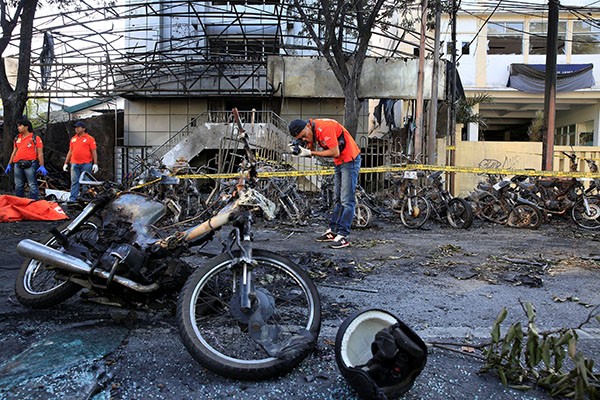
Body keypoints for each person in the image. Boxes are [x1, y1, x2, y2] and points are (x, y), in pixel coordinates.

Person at [288, 118, 361, 249]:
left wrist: (310, 152)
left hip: (350, 160)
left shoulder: (324, 128)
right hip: (340, 161)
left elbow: (335, 152)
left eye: (304, 136)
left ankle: (343, 236)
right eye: (302, 138)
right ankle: (333, 231)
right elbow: (310, 150)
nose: (304, 139)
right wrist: (300, 149)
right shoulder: (312, 130)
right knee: (338, 199)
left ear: (307, 127)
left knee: (346, 200)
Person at [5, 118, 47, 200]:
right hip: (17, 163)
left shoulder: (35, 138)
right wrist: (9, 164)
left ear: (26, 127)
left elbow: (40, 153)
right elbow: (14, 152)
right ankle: (19, 202)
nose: (18, 128)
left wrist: (42, 165)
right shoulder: (17, 138)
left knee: (32, 184)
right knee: (18, 185)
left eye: (20, 126)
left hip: (30, 163)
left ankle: (33, 202)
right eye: (18, 126)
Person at [63, 121, 98, 203]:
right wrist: (65, 163)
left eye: (78, 127)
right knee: (74, 182)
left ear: (84, 128)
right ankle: (72, 199)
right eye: (75, 127)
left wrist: (95, 163)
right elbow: (70, 151)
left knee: (86, 182)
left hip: (86, 163)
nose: (76, 129)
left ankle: (85, 199)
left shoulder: (90, 138)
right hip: (74, 163)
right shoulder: (73, 139)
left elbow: (93, 151)